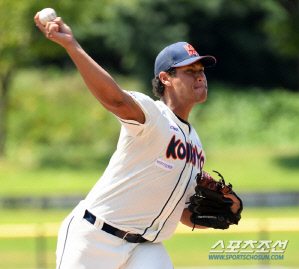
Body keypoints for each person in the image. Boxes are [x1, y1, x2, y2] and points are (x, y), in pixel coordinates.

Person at [34, 11, 241, 269]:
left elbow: (183, 213)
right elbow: (116, 100)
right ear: (166, 79)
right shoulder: (153, 115)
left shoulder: (196, 146)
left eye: (201, 70)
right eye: (190, 70)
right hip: (95, 237)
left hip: (145, 247)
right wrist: (72, 45)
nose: (200, 75)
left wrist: (226, 208)